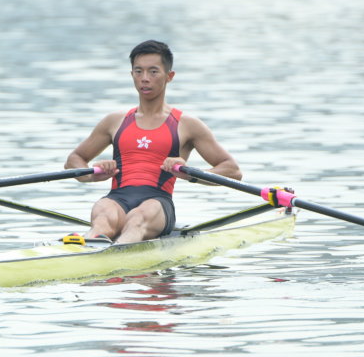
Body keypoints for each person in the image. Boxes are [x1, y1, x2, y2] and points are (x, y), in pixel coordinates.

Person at [64, 40, 242, 244]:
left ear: (169, 76)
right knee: (103, 214)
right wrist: (91, 176)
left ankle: (114, 255)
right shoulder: (114, 121)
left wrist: (189, 174)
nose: (144, 79)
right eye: (138, 72)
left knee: (137, 219)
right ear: (132, 75)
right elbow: (74, 159)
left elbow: (232, 170)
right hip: (117, 199)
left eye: (153, 72)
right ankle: (90, 246)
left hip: (158, 204)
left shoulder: (187, 125)